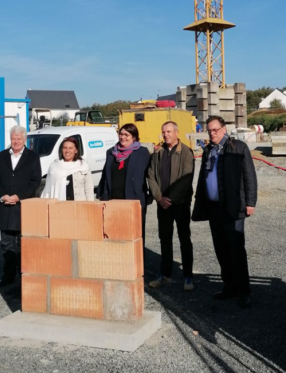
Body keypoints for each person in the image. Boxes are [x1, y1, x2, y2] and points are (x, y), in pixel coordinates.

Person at [192, 115, 257, 308]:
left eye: (215, 130)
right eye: (209, 130)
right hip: (214, 208)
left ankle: (244, 291)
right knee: (221, 250)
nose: (212, 133)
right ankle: (229, 286)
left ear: (224, 129)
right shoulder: (208, 150)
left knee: (236, 250)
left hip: (233, 207)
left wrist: (251, 202)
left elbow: (249, 175)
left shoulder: (238, 147)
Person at [0, 125, 42, 289]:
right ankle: (8, 276)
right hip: (5, 207)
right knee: (6, 244)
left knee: (22, 244)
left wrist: (19, 196)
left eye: (19, 139)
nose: (16, 141)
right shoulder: (1, 156)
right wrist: (2, 196)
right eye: (14, 138)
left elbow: (35, 181)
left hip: (23, 207)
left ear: (25, 140)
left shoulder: (33, 157)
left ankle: (24, 277)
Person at [147, 121, 195, 291]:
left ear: (177, 132)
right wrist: (159, 198)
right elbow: (151, 176)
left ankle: (188, 276)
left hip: (180, 204)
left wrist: (171, 199)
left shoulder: (186, 153)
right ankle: (165, 275)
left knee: (184, 239)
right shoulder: (158, 153)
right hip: (163, 205)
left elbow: (186, 178)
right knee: (165, 239)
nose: (166, 134)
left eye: (168, 131)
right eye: (163, 132)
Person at [97, 123, 150, 242]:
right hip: (113, 199)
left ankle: (138, 260)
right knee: (115, 232)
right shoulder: (111, 152)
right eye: (121, 134)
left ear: (134, 137)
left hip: (133, 198)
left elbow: (150, 174)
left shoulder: (142, 152)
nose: (123, 137)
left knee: (135, 234)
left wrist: (152, 194)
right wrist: (101, 193)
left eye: (127, 135)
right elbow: (105, 174)